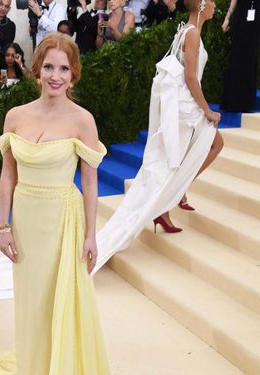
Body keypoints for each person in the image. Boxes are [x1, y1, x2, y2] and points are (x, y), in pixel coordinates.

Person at [0, 33, 147, 375]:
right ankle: (36, 373)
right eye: (48, 67)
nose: (55, 76)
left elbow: (90, 184)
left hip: (63, 220)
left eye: (63, 68)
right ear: (36, 70)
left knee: (62, 301)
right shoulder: (16, 116)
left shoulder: (83, 121)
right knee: (32, 302)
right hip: (26, 220)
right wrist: (3, 225)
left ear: (73, 74)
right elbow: (8, 174)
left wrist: (92, 235)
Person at [94, 0, 224, 271]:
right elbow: (190, 78)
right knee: (176, 163)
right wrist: (208, 110)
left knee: (200, 150)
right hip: (185, 110)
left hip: (182, 108)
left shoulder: (187, 30)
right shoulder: (192, 33)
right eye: (210, 1)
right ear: (200, 6)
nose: (214, 5)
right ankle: (171, 198)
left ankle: (172, 198)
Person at [220, 0, 260, 112]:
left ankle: (246, 103)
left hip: (256, 19)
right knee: (236, 57)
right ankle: (231, 101)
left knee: (251, 58)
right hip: (241, 16)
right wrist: (227, 18)